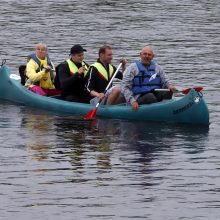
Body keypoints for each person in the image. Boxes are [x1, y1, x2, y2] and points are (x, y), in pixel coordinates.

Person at [122, 46, 176, 111]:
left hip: (154, 94)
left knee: (168, 91)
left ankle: (167, 109)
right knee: (150, 97)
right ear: (140, 55)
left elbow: (165, 80)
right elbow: (125, 87)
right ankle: (160, 110)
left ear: (153, 56)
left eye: (149, 55)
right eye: (144, 54)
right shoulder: (132, 68)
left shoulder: (157, 68)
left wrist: (170, 85)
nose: (147, 56)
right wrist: (132, 101)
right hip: (138, 97)